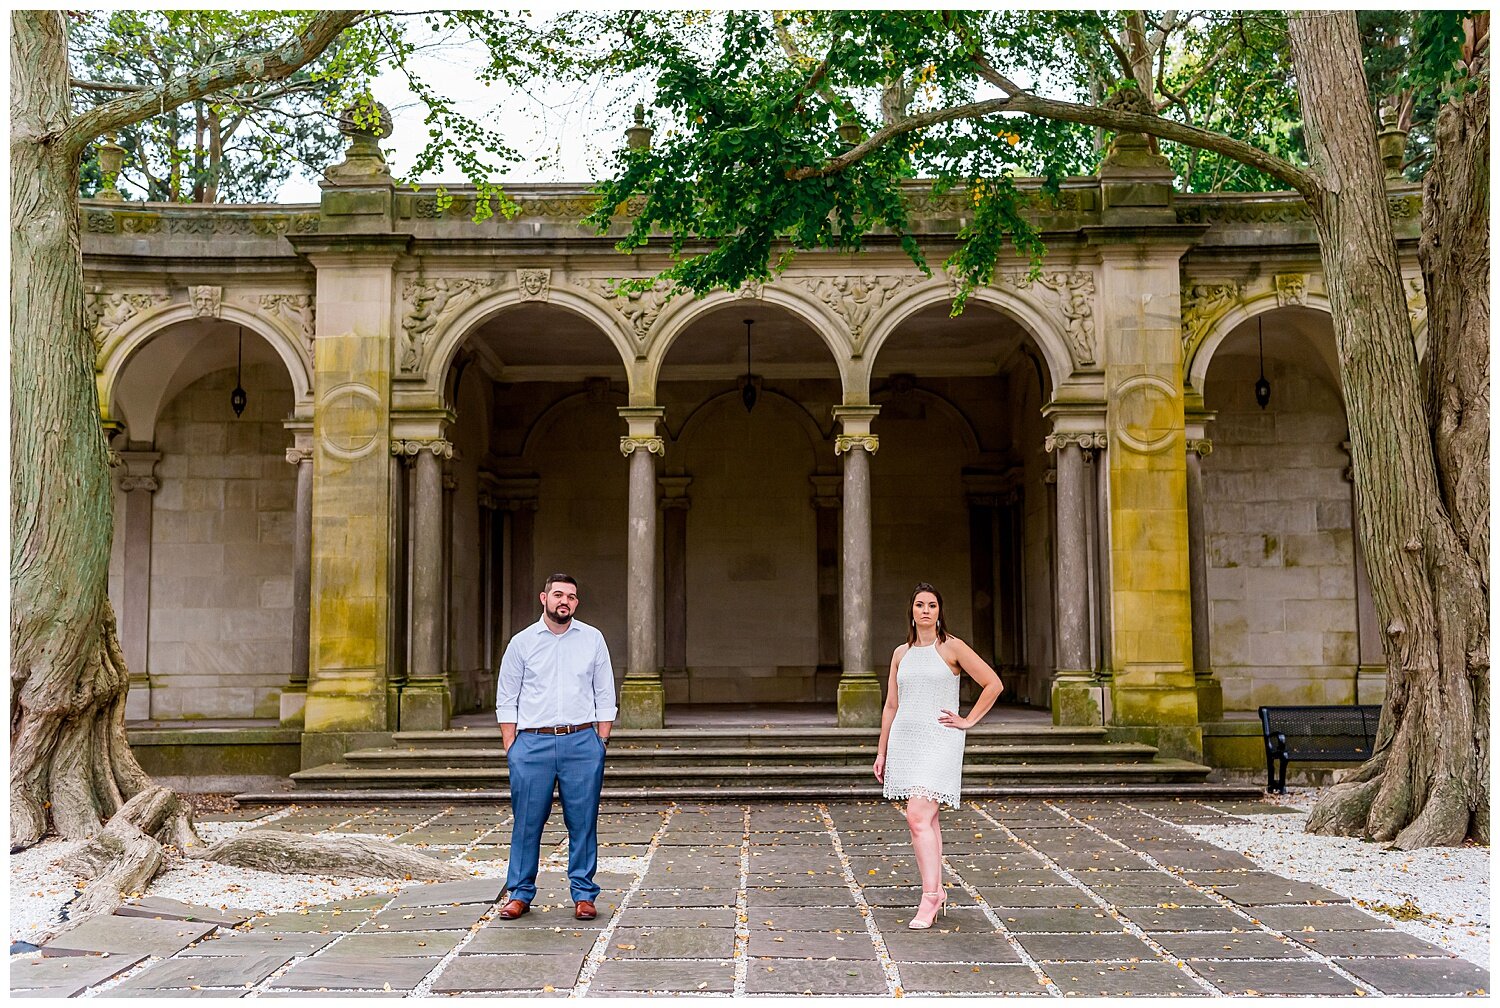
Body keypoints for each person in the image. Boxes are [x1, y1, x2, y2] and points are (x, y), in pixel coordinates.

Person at [874, 582, 1004, 929]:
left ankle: (930, 897)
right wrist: (882, 750)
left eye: (932, 605)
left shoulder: (952, 648)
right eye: (920, 605)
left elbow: (993, 683)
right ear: (912, 611)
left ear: (939, 611)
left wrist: (969, 720)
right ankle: (936, 890)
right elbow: (891, 705)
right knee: (926, 820)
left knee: (917, 815)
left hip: (940, 739)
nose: (926, 610)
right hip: (907, 740)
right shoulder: (900, 653)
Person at [496, 573, 617, 921]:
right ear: (544, 598)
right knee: (527, 823)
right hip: (532, 744)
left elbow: (604, 692)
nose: (565, 601)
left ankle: (583, 893)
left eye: (572, 597)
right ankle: (519, 893)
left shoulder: (593, 640)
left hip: (581, 742)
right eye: (558, 595)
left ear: (576, 603)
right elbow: (507, 697)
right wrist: (511, 746)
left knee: (582, 822)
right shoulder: (522, 643)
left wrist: (601, 741)